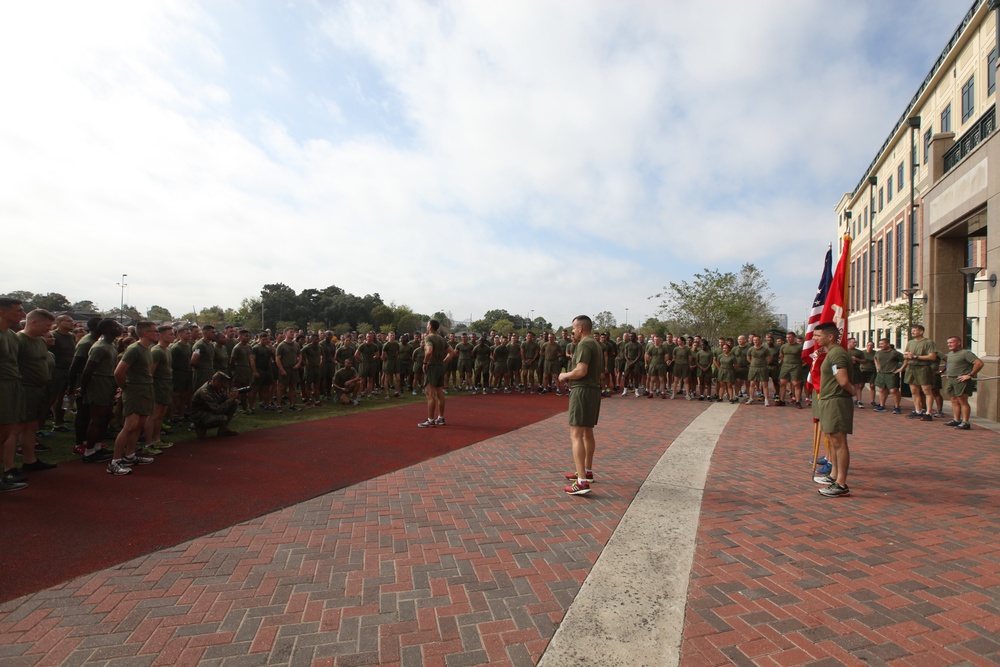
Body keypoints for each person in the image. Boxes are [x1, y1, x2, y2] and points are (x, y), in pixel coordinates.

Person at [558, 315, 603, 495]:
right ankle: (586, 471)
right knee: (586, 432)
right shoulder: (596, 344)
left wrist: (565, 375)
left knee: (576, 433)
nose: (572, 332)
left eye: (574, 328)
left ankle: (582, 482)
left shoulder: (584, 344)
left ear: (581, 328)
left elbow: (580, 371)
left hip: (582, 390)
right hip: (592, 391)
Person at [812, 322, 856, 498]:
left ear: (830, 336)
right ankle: (834, 476)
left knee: (839, 442)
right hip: (829, 401)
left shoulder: (837, 354)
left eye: (818, 335)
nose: (815, 338)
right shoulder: (831, 353)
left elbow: (843, 381)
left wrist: (853, 393)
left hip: (836, 402)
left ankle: (841, 484)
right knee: (832, 439)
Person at [109, 321, 158, 475]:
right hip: (134, 389)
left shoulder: (147, 349)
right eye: (154, 331)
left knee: (139, 425)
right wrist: (125, 387)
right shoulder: (134, 349)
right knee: (130, 425)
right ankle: (115, 461)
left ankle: (130, 455)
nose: (157, 333)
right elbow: (118, 372)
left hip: (146, 388)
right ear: (145, 333)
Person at [0, 297, 29, 492]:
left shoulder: (11, 335)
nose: (23, 314)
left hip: (12, 386)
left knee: (5, 433)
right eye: (18, 310)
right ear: (3, 312)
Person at [941, 336, 983, 430]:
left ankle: (965, 422)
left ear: (959, 342)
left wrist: (970, 375)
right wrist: (947, 372)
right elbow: (949, 364)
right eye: (948, 343)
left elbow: (979, 363)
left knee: (962, 400)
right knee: (953, 399)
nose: (949, 345)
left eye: (951, 342)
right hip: (951, 379)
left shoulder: (966, 353)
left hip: (962, 380)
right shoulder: (950, 354)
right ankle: (956, 420)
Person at [417, 320, 454, 427]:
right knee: (440, 393)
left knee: (430, 395)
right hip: (440, 367)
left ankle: (430, 420)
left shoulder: (428, 338)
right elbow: (452, 352)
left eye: (427, 325)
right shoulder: (442, 339)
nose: (427, 326)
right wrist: (444, 362)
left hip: (432, 367)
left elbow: (429, 351)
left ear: (430, 327)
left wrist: (424, 362)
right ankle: (440, 418)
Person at [145, 324, 175, 451]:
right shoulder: (157, 351)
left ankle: (157, 439)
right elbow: (150, 372)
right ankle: (148, 443)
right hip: (157, 385)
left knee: (161, 414)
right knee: (153, 415)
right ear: (161, 336)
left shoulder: (167, 350)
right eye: (170, 334)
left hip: (166, 384)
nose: (173, 336)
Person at [903, 324, 938, 421]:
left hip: (923, 368)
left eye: (915, 330)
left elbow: (932, 356)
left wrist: (916, 356)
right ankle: (918, 411)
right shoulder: (910, 342)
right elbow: (905, 355)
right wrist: (908, 356)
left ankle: (928, 412)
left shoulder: (928, 342)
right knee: (914, 390)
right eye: (912, 330)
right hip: (911, 367)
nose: (913, 332)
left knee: (926, 390)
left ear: (921, 332)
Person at [191, 371, 240, 438]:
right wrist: (231, 399)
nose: (222, 386)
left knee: (234, 402)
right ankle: (200, 427)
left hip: (210, 411)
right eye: (221, 384)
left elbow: (225, 399)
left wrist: (231, 396)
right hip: (200, 415)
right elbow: (217, 409)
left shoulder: (218, 388)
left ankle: (223, 430)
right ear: (215, 381)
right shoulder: (205, 391)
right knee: (223, 418)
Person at [873, 338, 904, 413]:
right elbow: (875, 358)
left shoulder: (894, 353)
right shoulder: (878, 353)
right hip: (881, 374)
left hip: (891, 374)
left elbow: (905, 360)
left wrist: (900, 369)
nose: (881, 345)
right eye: (880, 344)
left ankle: (897, 407)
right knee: (882, 390)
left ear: (888, 344)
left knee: (894, 390)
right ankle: (882, 405)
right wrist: (877, 366)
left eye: (882, 344)